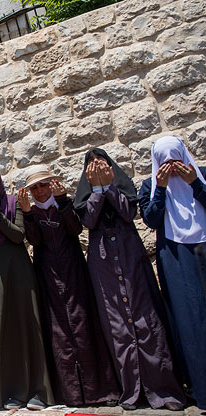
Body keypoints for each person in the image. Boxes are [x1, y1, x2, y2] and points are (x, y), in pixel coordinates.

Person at [73, 148, 185, 411]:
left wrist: (109, 186)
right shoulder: (86, 193)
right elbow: (89, 219)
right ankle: (132, 391)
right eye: (91, 163)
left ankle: (164, 389)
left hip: (129, 250)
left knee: (146, 317)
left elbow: (127, 212)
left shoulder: (122, 184)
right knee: (117, 323)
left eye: (101, 161)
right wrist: (97, 191)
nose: (97, 165)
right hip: (102, 258)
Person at [18, 165, 119, 407]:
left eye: (44, 185)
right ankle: (70, 393)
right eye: (35, 188)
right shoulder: (30, 212)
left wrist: (63, 203)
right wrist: (28, 214)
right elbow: (35, 240)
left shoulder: (65, 204)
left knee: (84, 326)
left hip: (74, 273)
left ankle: (98, 391)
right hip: (49, 278)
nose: (41, 191)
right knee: (59, 333)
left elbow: (76, 229)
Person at [0, 165, 53, 411]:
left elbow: (17, 235)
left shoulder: (13, 202)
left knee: (24, 325)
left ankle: (36, 390)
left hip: (18, 270)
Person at [138, 136, 206, 409]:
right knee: (191, 324)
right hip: (176, 257)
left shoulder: (201, 176)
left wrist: (195, 184)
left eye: (176, 158)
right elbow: (152, 219)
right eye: (164, 161)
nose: (172, 166)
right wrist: (161, 188)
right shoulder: (150, 186)